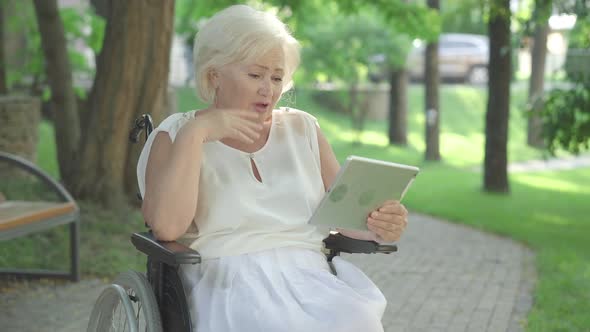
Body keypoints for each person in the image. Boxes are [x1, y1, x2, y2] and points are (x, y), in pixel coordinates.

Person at [137, 4, 408, 332]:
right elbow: (166, 228)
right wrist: (198, 134)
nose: (268, 88)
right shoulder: (178, 133)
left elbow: (344, 214)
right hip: (226, 280)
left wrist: (380, 224)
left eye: (277, 77)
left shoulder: (303, 129)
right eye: (255, 74)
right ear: (214, 75)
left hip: (309, 277)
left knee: (355, 319)